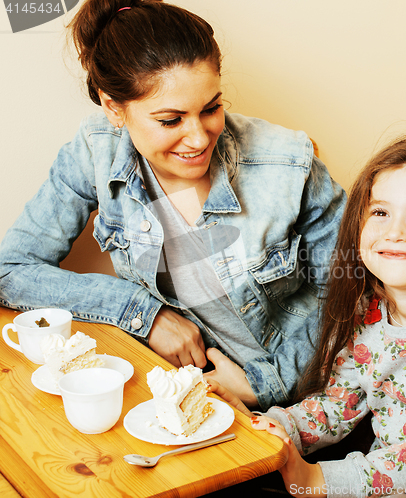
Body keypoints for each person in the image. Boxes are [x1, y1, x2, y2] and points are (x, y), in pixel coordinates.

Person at [0, 0, 346, 411]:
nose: (199, 138)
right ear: (114, 107)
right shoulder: (94, 150)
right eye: (170, 120)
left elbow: (352, 296)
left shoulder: (287, 161)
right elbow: (12, 268)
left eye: (212, 108)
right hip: (195, 404)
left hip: (319, 402)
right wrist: (145, 314)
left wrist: (261, 383)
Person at [211, 136, 406, 497]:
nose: (394, 232)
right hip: (381, 482)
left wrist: (317, 478)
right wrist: (269, 425)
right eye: (380, 212)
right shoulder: (368, 310)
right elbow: (338, 403)